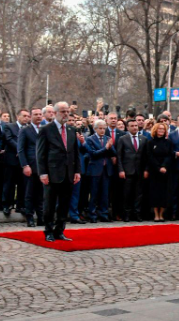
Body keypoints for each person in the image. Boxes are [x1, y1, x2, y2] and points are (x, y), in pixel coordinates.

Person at [36, 101, 81, 241]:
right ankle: (48, 231)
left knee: (64, 204)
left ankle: (60, 230)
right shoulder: (46, 129)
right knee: (49, 204)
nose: (66, 114)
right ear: (55, 113)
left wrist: (77, 171)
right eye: (63, 111)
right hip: (52, 173)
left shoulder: (71, 130)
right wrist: (42, 173)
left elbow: (75, 153)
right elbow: (40, 153)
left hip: (68, 173)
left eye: (67, 111)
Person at [115, 118, 147, 222]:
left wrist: (146, 169)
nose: (134, 128)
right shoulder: (123, 139)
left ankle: (137, 213)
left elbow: (147, 156)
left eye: (136, 126)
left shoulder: (144, 139)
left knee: (139, 194)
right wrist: (121, 170)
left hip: (140, 170)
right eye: (132, 126)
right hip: (127, 170)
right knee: (127, 193)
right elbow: (119, 156)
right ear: (127, 128)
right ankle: (127, 214)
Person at [84, 119, 115, 222]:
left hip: (106, 170)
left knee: (105, 194)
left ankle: (104, 213)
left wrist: (110, 147)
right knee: (94, 193)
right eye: (100, 128)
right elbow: (93, 154)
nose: (102, 130)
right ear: (95, 129)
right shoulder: (90, 139)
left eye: (104, 128)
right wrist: (106, 148)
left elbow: (113, 153)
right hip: (95, 170)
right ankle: (92, 214)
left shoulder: (107, 138)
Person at [18, 107, 45, 227]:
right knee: (30, 193)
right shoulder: (25, 130)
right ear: (30, 116)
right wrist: (25, 165)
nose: (38, 116)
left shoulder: (45, 129)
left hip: (43, 167)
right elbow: (21, 149)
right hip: (31, 166)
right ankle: (29, 217)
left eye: (40, 114)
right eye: (36, 114)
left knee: (41, 194)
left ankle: (41, 217)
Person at [146, 122, 174, 222]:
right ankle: (156, 214)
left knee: (164, 193)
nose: (161, 131)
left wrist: (164, 166)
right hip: (154, 171)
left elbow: (170, 155)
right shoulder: (150, 143)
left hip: (166, 171)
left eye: (163, 129)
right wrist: (158, 167)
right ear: (155, 130)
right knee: (155, 193)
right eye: (159, 129)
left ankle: (162, 214)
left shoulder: (169, 143)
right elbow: (150, 156)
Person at [0, 109, 24, 218]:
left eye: (28, 116)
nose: (26, 118)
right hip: (11, 159)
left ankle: (20, 205)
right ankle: (7, 205)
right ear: (18, 116)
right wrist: (20, 149)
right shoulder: (9, 127)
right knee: (9, 183)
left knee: (22, 183)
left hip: (23, 161)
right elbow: (9, 139)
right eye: (24, 116)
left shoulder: (28, 128)